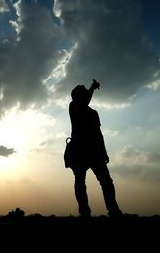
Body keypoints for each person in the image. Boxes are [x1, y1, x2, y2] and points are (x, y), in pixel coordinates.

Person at [68, 79, 122, 218]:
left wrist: (104, 151)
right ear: (76, 96)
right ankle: (85, 212)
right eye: (82, 91)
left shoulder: (93, 113)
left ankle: (113, 210)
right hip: (79, 150)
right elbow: (83, 102)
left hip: (94, 151)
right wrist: (92, 88)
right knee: (80, 181)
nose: (85, 92)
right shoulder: (73, 106)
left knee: (106, 182)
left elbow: (99, 134)